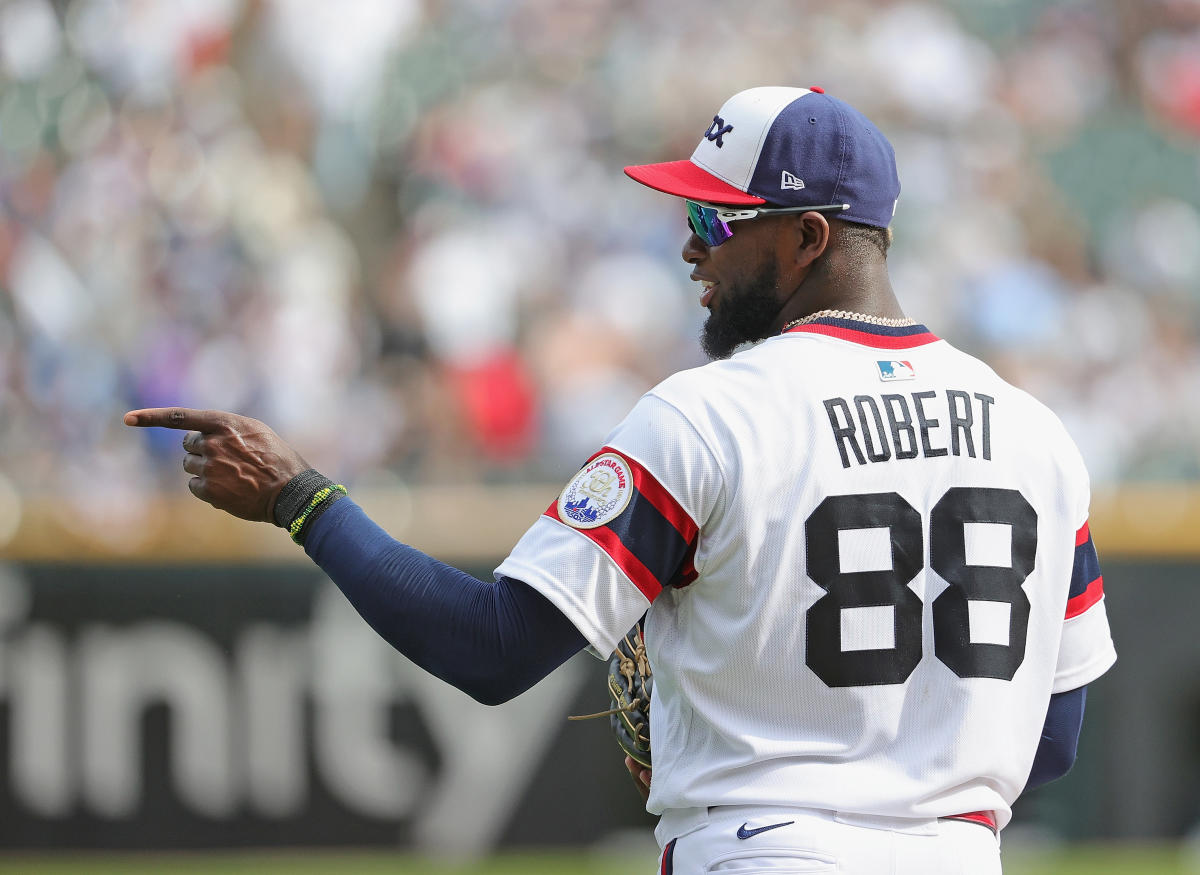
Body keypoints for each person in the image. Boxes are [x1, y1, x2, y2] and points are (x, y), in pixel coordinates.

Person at [125, 86, 1116, 873]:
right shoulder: (1036, 434)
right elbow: (1056, 739)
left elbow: (495, 645)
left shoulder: (711, 412)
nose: (690, 242)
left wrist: (303, 499)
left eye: (717, 218)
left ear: (810, 237)